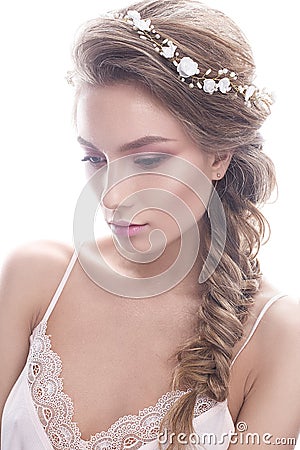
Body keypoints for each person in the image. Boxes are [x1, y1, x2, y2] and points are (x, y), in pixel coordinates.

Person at [0, 0, 299, 449]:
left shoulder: (280, 339)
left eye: (148, 158)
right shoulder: (37, 278)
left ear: (219, 155)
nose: (113, 195)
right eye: (94, 158)